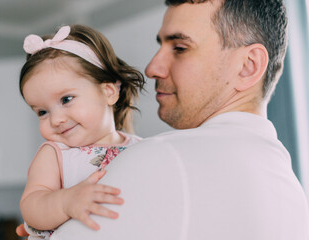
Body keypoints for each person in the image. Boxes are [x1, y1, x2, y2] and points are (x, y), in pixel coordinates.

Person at [18, 0, 309, 239]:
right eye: (41, 111)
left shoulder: (159, 156)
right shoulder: (289, 189)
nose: (152, 67)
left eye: (180, 48)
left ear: (248, 66)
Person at [18, 24, 145, 239]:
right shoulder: (55, 153)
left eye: (66, 100)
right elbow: (32, 207)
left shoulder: (140, 148)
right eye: (42, 112)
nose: (56, 119)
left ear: (108, 92)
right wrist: (66, 202)